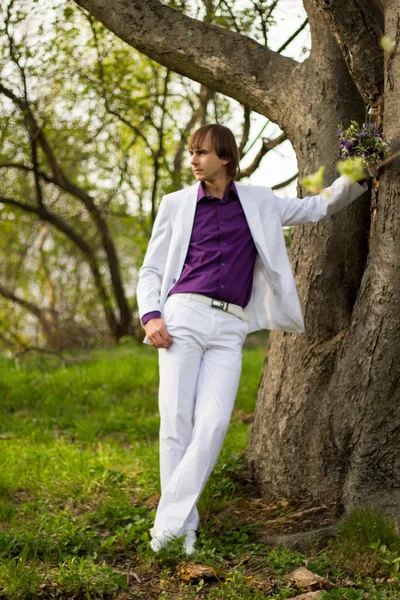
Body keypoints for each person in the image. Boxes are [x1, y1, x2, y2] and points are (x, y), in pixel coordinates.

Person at [136, 124, 367, 555]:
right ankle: (178, 533)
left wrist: (359, 172)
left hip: (230, 327)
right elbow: (151, 269)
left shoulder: (258, 201)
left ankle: (168, 522)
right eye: (191, 152)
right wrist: (150, 316)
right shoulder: (176, 204)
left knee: (215, 424)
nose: (193, 160)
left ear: (225, 157)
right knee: (176, 424)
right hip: (182, 315)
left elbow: (315, 207)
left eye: (201, 152)